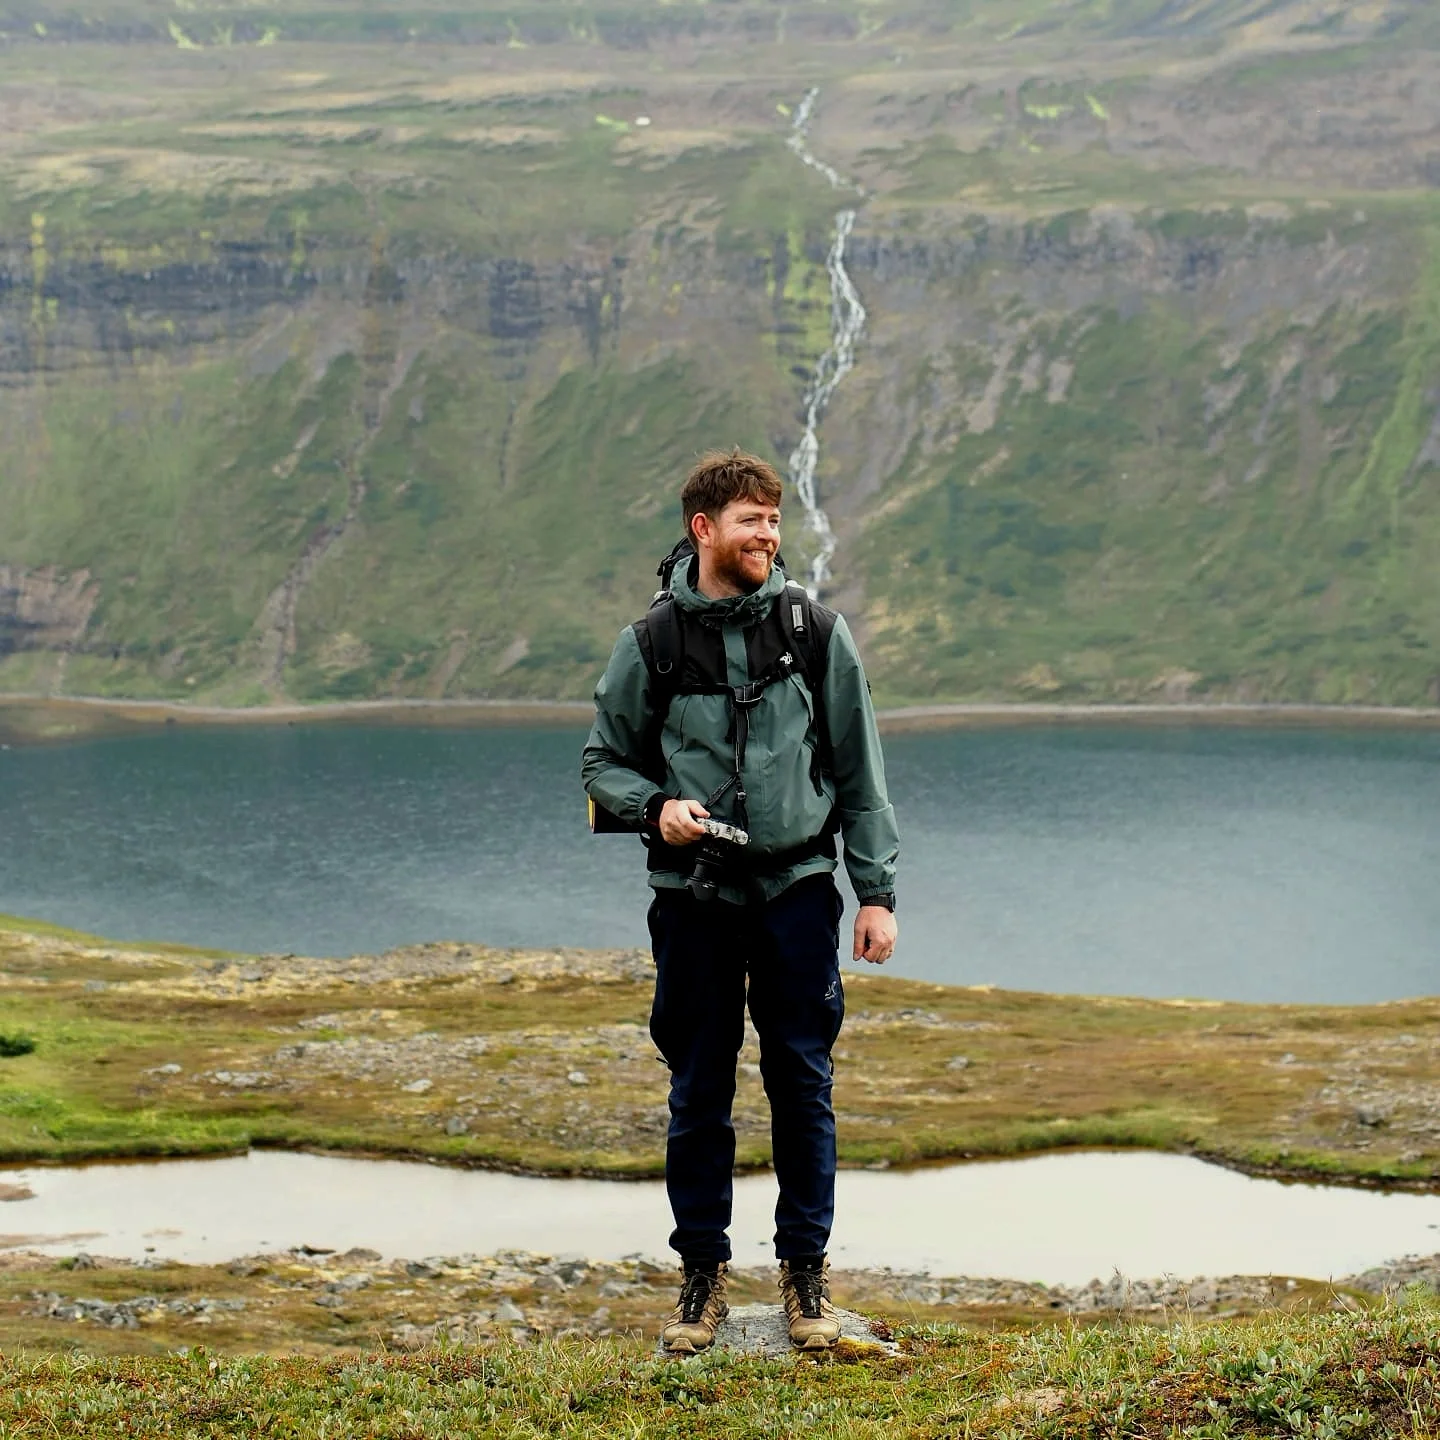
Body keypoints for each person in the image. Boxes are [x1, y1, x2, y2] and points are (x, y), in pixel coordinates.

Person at [581, 447, 899, 1353]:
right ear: (703, 529)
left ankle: (806, 1279)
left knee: (803, 1082)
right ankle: (701, 1281)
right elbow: (602, 763)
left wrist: (874, 893)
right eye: (752, 520)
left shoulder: (815, 633)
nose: (769, 535)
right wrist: (657, 810)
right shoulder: (650, 645)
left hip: (800, 890)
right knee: (697, 1089)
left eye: (774, 520)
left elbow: (861, 775)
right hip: (692, 897)